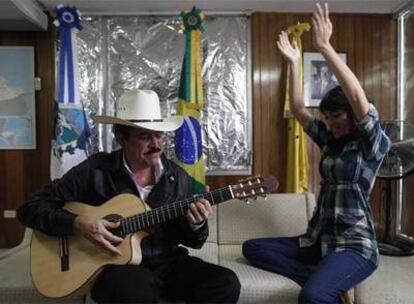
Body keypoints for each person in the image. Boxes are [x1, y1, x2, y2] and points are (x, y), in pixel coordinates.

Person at [17, 89, 241, 303]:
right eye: (145, 136)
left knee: (225, 282)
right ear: (122, 139)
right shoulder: (95, 170)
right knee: (136, 286)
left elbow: (194, 241)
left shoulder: (177, 177)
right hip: (113, 268)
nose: (156, 144)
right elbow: (30, 208)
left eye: (159, 135)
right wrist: (78, 223)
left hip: (166, 262)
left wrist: (196, 223)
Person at [242, 3, 390, 304]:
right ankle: (320, 275)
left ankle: (322, 282)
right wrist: (294, 62)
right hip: (318, 241)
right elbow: (297, 108)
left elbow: (358, 96)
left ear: (350, 115)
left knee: (312, 297)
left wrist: (324, 47)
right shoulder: (330, 142)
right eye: (327, 117)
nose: (330, 123)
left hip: (353, 245)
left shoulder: (371, 144)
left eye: (336, 116)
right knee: (253, 248)